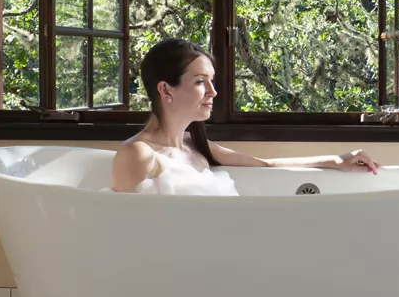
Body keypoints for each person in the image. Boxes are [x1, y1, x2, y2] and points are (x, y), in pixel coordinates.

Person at [110, 38, 382, 194]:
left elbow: (265, 166)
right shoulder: (139, 154)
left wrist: (337, 160)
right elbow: (129, 235)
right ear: (165, 89)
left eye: (212, 81)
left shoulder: (193, 146)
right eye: (200, 82)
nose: (214, 92)